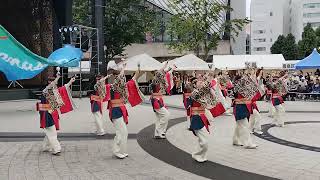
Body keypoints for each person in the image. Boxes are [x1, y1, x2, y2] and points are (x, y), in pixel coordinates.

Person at [106, 60, 145, 159]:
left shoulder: (120, 85)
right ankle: (117, 151)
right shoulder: (114, 86)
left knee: (123, 132)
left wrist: (137, 71)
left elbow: (132, 81)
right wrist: (123, 67)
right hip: (116, 111)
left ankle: (121, 150)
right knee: (121, 132)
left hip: (120, 110)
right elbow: (120, 78)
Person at [186, 75, 224, 162]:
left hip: (201, 117)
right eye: (199, 82)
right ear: (194, 85)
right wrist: (209, 79)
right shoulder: (194, 93)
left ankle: (199, 154)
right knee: (204, 141)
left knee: (203, 139)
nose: (201, 82)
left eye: (201, 81)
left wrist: (210, 79)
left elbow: (209, 93)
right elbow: (203, 89)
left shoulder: (201, 93)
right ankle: (196, 154)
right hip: (196, 119)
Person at [37, 74, 75, 156]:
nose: (53, 83)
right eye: (51, 81)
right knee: (52, 132)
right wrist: (57, 78)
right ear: (48, 82)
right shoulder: (46, 90)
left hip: (52, 113)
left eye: (54, 81)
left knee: (50, 132)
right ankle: (56, 149)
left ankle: (45, 147)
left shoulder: (54, 91)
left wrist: (71, 81)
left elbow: (64, 88)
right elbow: (51, 86)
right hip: (46, 113)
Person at [231, 72, 259, 149]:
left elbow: (254, 87)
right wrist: (247, 73)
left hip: (244, 107)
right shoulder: (236, 87)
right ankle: (248, 143)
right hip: (239, 108)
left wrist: (253, 75)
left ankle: (235, 140)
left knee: (239, 125)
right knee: (244, 126)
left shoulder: (243, 88)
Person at [150, 62, 174, 139]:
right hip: (156, 100)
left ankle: (158, 133)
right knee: (166, 114)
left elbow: (160, 71)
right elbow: (160, 72)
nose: (163, 75)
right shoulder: (156, 79)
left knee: (159, 117)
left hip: (158, 99)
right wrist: (165, 67)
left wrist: (165, 66)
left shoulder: (156, 79)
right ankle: (159, 130)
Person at [249, 69, 264, 135]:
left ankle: (250, 129)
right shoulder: (250, 87)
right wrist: (253, 73)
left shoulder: (254, 86)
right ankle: (257, 129)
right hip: (250, 103)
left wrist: (256, 73)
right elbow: (254, 79)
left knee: (253, 117)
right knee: (257, 116)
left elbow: (256, 80)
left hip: (252, 103)